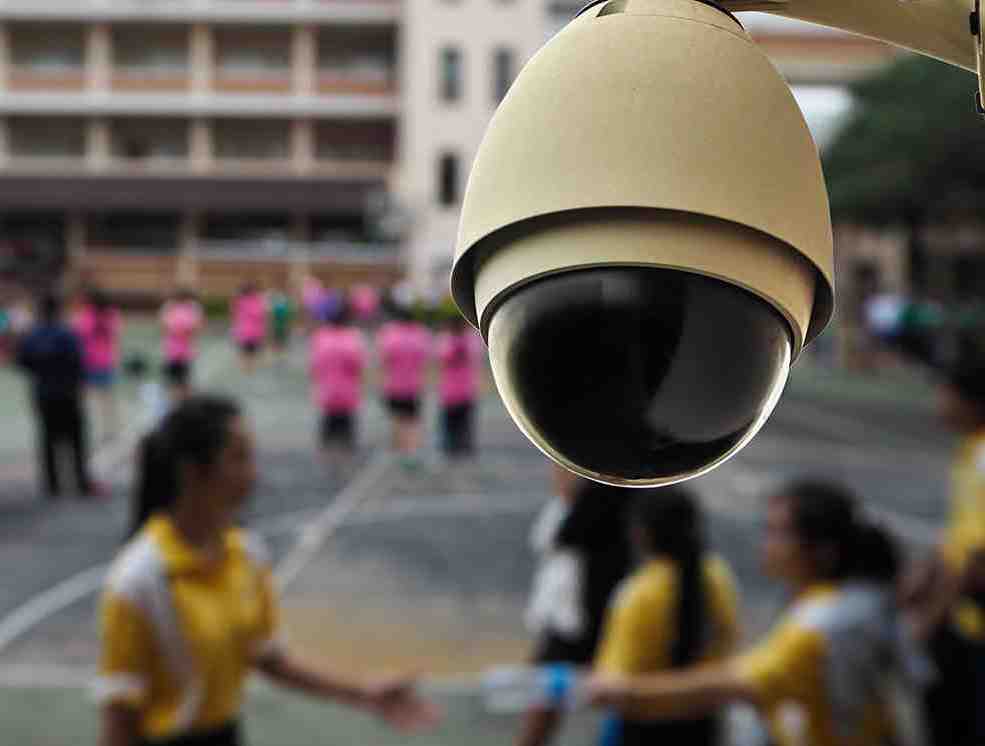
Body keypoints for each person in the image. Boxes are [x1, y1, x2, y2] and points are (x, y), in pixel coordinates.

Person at [96, 395, 440, 746]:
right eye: (239, 457)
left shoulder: (246, 556)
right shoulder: (140, 581)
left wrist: (365, 692)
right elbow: (119, 722)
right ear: (192, 470)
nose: (254, 473)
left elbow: (266, 657)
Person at [588, 480, 925, 746]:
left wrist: (627, 692)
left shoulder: (822, 624)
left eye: (778, 532)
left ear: (823, 551)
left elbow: (733, 682)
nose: (766, 543)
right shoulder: (841, 600)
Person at [593, 485, 740, 746]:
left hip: (643, 727)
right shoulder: (717, 576)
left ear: (641, 532)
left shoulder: (639, 592)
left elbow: (613, 683)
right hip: (703, 725)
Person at [516, 466, 635, 746]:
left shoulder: (597, 500)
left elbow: (562, 534)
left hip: (581, 620)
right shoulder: (592, 502)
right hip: (579, 619)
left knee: (544, 704)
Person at [902, 365, 985, 745]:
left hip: (971, 625)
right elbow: (958, 535)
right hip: (962, 618)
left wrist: (929, 618)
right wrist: (922, 576)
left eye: (946, 393)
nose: (939, 403)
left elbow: (976, 558)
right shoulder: (970, 450)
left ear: (971, 402)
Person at [17, 292, 98, 499]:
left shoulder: (32, 335)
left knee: (48, 438)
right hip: (66, 392)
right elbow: (78, 362)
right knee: (75, 439)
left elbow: (23, 361)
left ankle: (52, 484)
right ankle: (80, 481)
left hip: (43, 392)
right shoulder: (67, 334)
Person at [308, 297, 367, 455]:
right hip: (348, 392)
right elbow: (358, 366)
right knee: (347, 430)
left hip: (327, 391)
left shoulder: (320, 337)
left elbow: (314, 367)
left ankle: (328, 457)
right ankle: (345, 457)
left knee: (328, 429)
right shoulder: (353, 339)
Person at [376, 302, 431, 459]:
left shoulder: (388, 335)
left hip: (393, 385)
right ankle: (411, 452)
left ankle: (398, 451)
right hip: (413, 385)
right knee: (412, 421)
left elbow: (383, 360)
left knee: (397, 420)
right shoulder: (420, 335)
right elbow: (425, 360)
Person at [74, 287, 123, 442]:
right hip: (103, 361)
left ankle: (99, 430)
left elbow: (78, 334)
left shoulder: (87, 316)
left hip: (92, 362)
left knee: (90, 399)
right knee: (106, 399)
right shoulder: (111, 315)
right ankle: (109, 430)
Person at [436, 317, 484, 458]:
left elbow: (441, 358)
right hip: (465, 390)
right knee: (464, 423)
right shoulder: (471, 340)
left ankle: (452, 448)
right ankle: (463, 446)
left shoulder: (446, 340)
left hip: (450, 391)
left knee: (452, 424)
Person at [160, 289, 204, 403]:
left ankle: (181, 401)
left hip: (181, 351)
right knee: (176, 380)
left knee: (181, 380)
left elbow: (195, 328)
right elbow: (165, 326)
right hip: (175, 351)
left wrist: (182, 330)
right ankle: (177, 401)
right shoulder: (171, 308)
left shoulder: (190, 308)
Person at [231, 283, 266, 374]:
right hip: (253, 331)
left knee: (245, 351)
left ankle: (246, 367)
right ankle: (250, 367)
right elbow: (261, 315)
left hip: (243, 331)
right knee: (252, 352)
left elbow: (234, 313)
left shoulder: (240, 301)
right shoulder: (257, 301)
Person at [267, 288, 294, 364]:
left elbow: (288, 316)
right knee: (279, 342)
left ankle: (279, 356)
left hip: (280, 326)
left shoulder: (282, 304)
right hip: (279, 326)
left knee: (279, 342)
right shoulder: (282, 304)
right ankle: (279, 357)